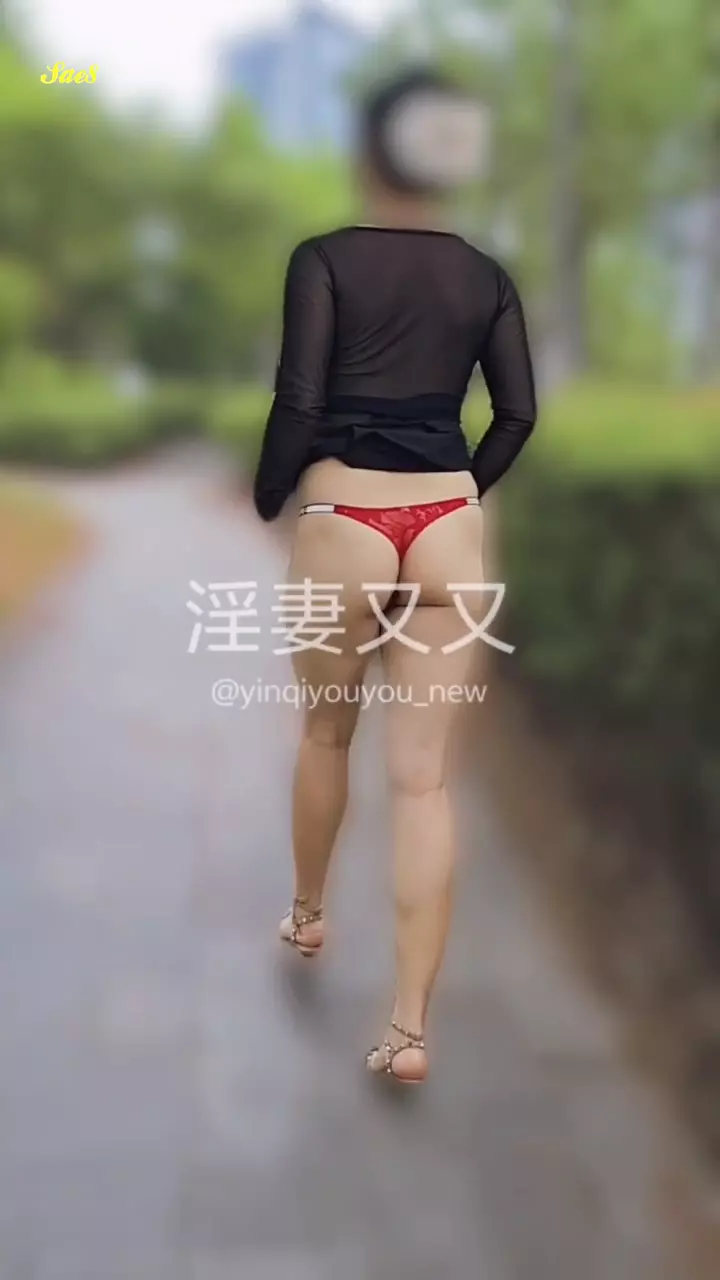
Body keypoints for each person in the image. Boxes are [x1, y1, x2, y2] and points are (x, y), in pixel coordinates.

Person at [252, 66, 537, 1084]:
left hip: (348, 515)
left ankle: (308, 915)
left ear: (369, 152)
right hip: (449, 522)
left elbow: (300, 399)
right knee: (425, 780)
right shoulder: (486, 276)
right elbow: (516, 415)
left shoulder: (324, 259)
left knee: (327, 732)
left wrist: (271, 492)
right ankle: (409, 1031)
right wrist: (461, 492)